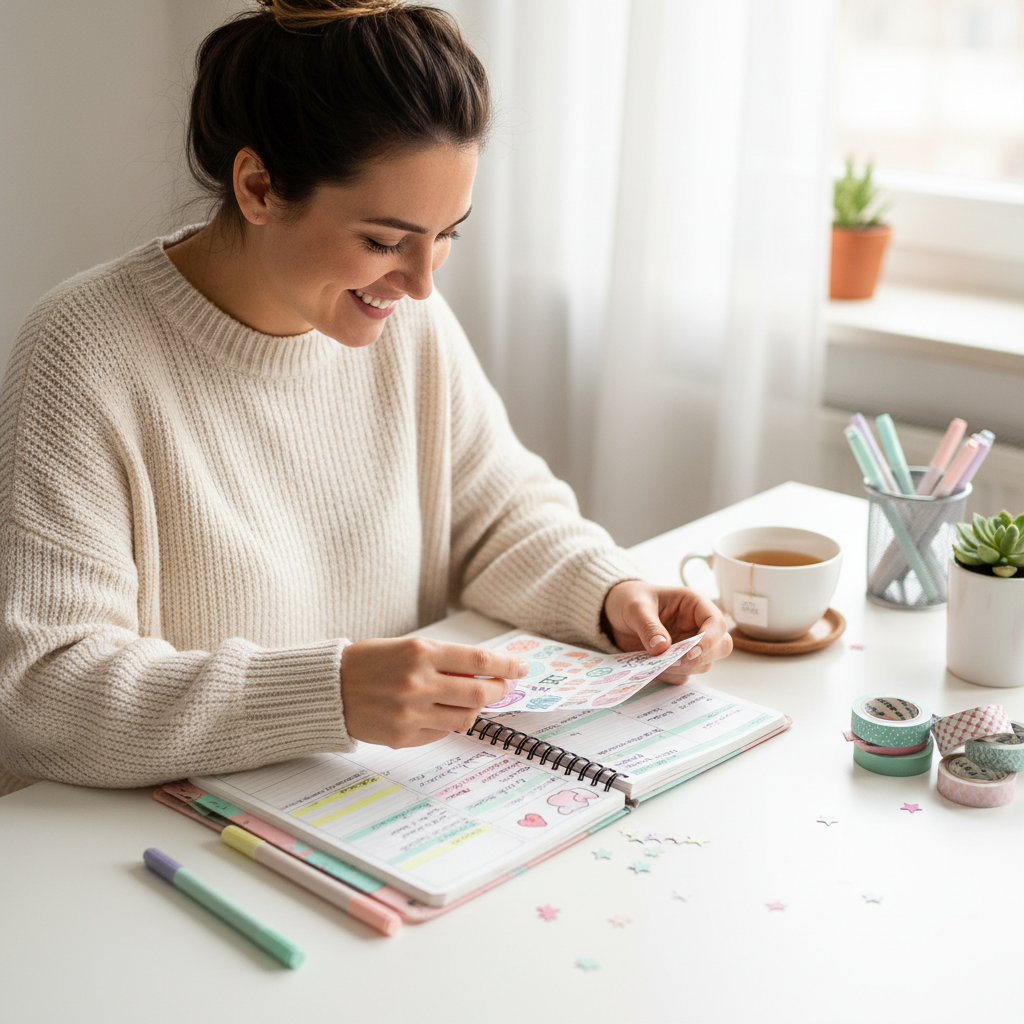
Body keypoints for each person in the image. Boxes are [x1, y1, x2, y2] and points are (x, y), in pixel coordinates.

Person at [0, 0, 731, 797]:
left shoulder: (401, 322)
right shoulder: (84, 351)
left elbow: (495, 515)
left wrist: (611, 592)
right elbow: (41, 690)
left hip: (373, 808)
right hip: (162, 842)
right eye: (385, 241)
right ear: (258, 186)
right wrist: (329, 695)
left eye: (448, 233)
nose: (421, 283)